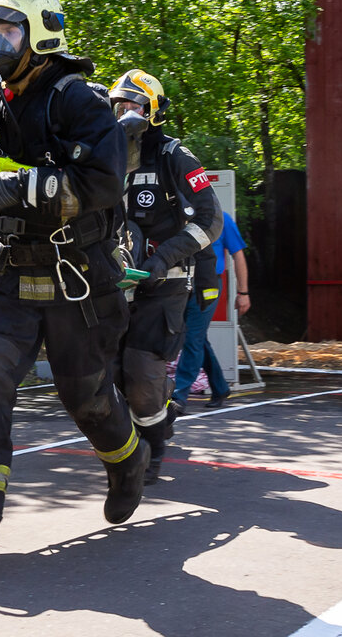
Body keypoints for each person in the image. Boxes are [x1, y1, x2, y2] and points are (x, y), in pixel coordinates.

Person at [0, 0, 149, 573]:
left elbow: (101, 184)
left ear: (41, 34)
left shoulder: (79, 101)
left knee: (87, 399)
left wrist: (17, 188)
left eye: (8, 31)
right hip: (9, 278)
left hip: (79, 283)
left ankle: (129, 462)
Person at [111, 70, 222, 484]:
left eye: (135, 105)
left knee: (141, 368)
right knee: (108, 372)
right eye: (120, 105)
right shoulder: (108, 158)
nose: (126, 113)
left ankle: (154, 447)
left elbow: (211, 220)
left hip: (167, 281)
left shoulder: (177, 156)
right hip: (118, 283)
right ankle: (155, 421)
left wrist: (165, 258)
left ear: (154, 112)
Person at [172, 210, 248, 412]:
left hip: (208, 284)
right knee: (196, 338)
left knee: (192, 338)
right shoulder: (178, 217)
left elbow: (238, 254)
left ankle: (178, 395)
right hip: (182, 283)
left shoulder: (220, 218)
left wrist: (243, 292)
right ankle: (220, 387)